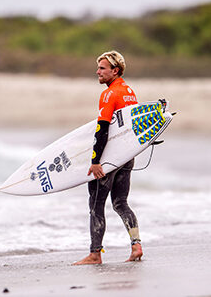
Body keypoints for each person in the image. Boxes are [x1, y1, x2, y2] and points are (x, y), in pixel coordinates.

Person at [73, 51, 143, 265]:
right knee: (121, 202)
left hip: (110, 158)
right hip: (126, 155)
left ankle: (95, 254)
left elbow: (102, 129)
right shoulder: (129, 92)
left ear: (115, 70)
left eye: (102, 68)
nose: (98, 72)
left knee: (96, 204)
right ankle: (136, 246)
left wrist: (95, 161)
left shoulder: (109, 94)